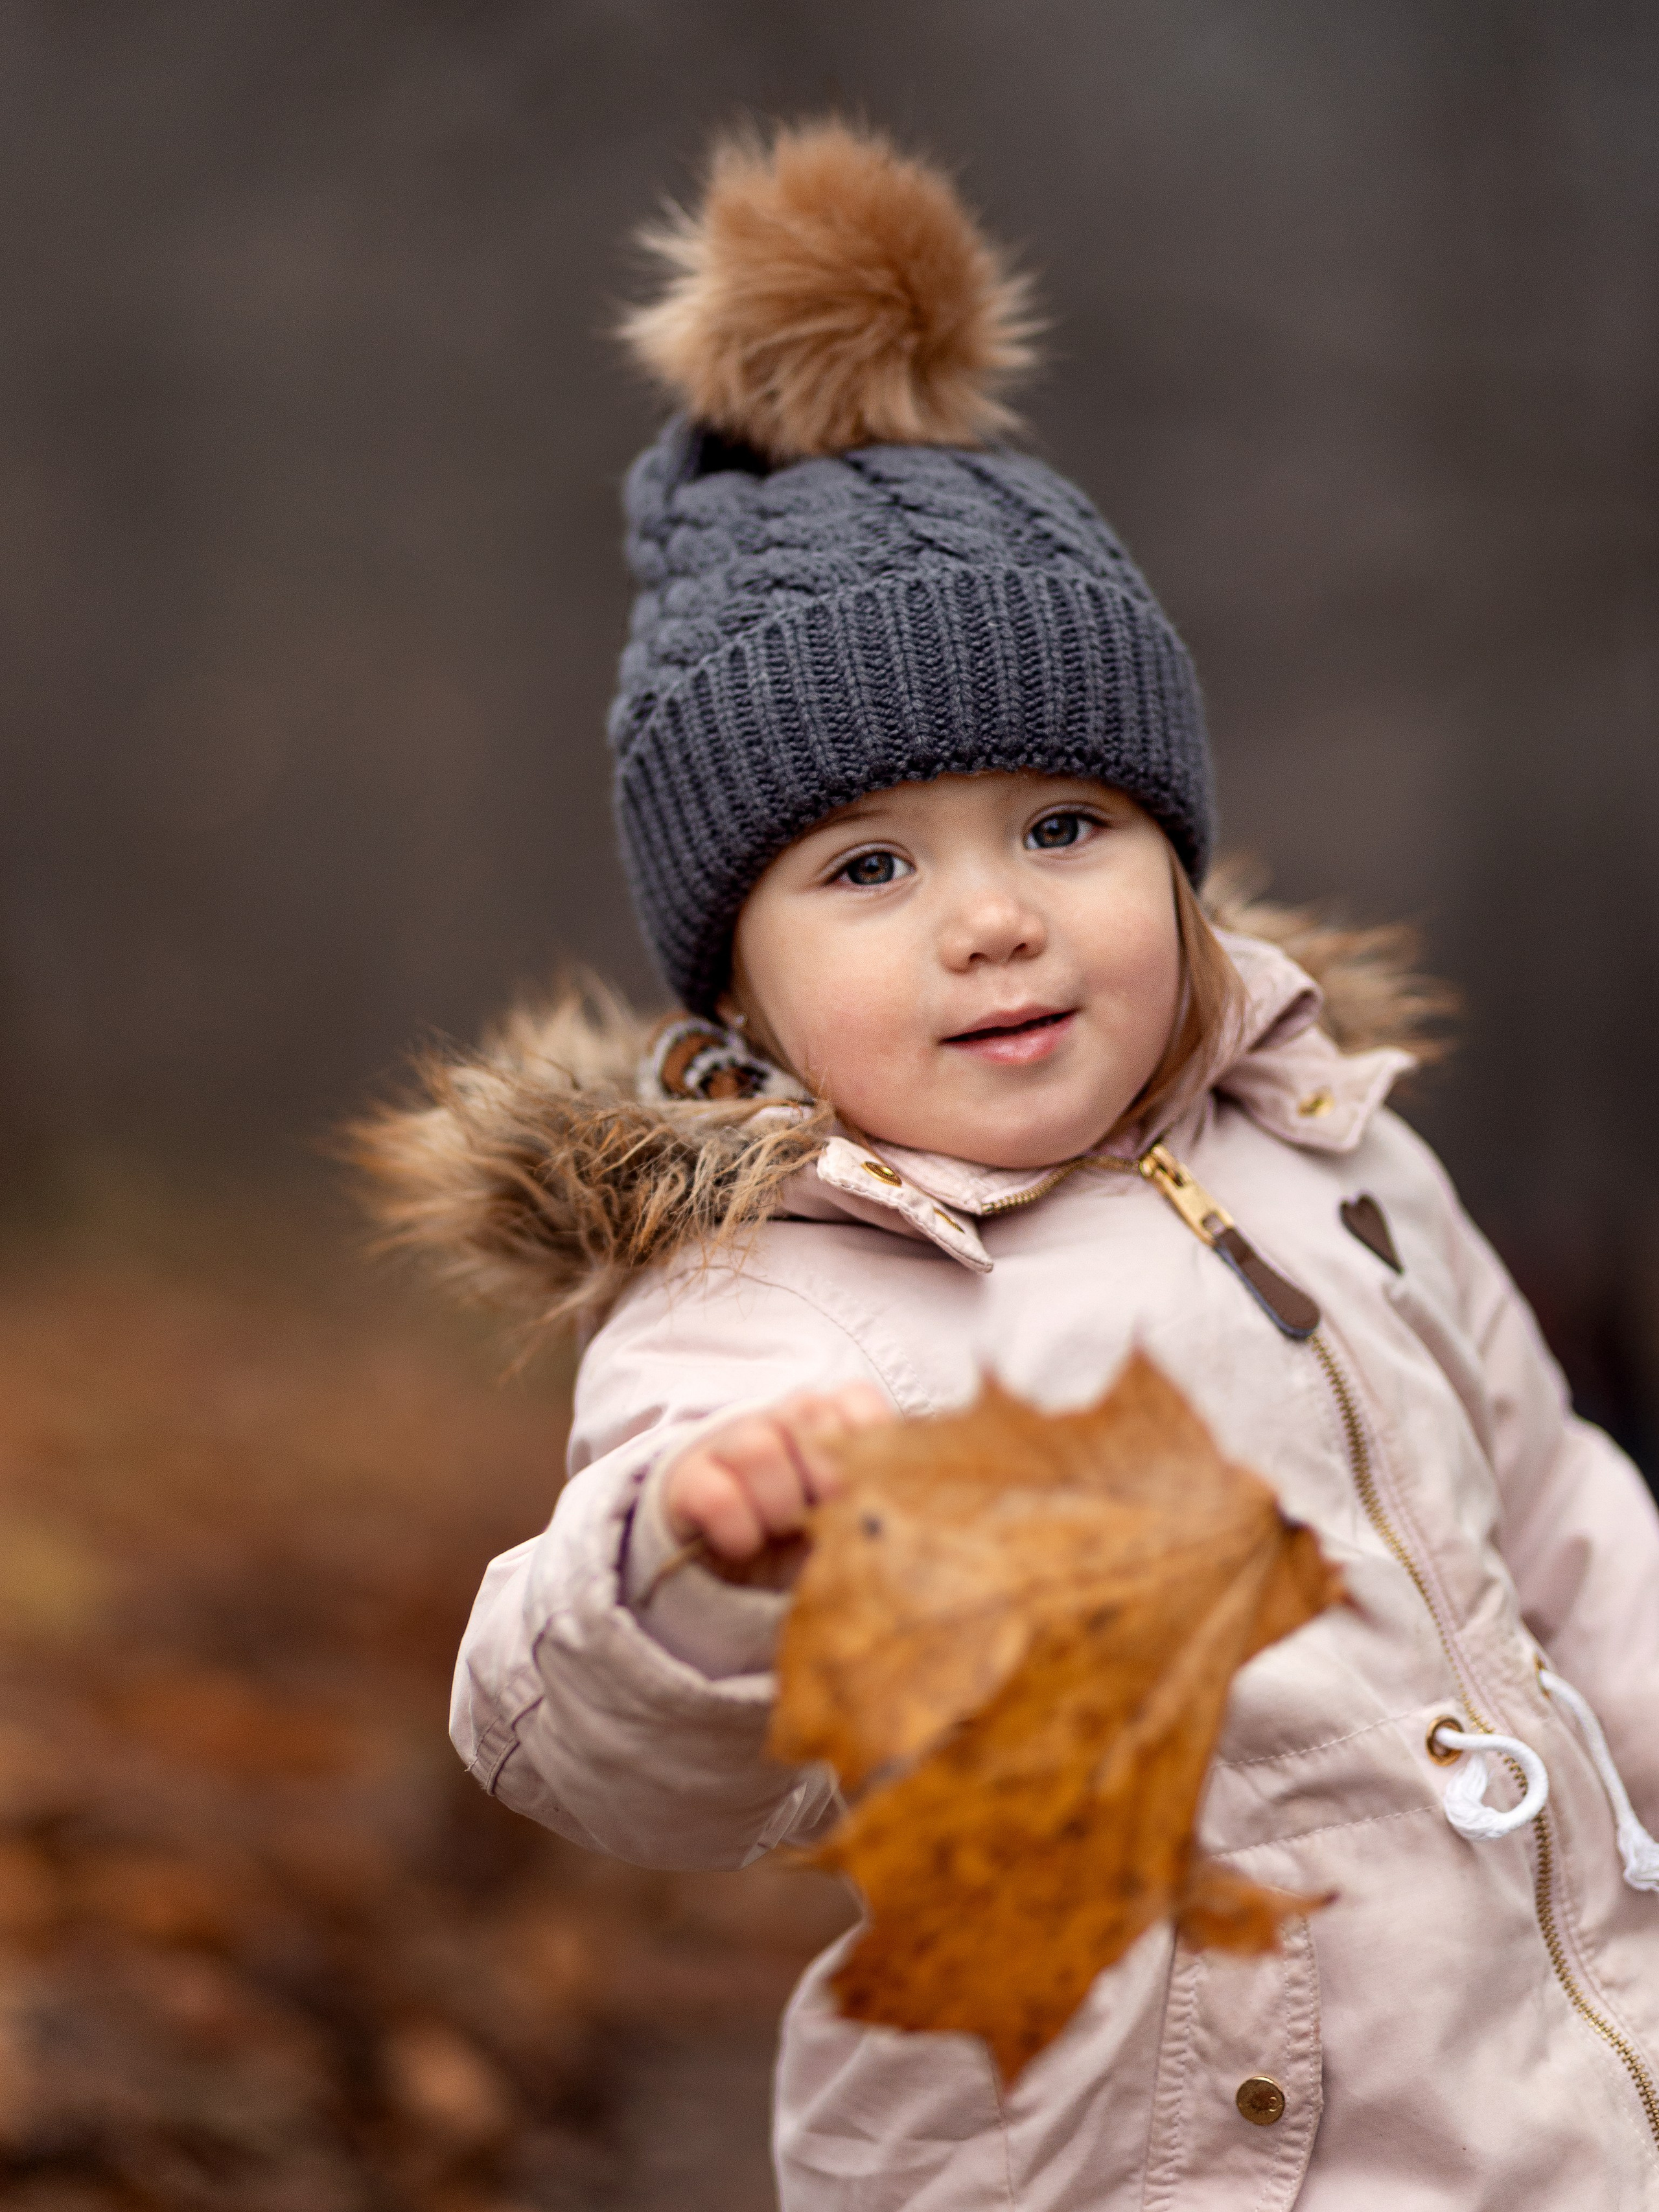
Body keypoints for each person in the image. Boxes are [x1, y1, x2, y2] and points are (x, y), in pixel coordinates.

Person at [362, 119, 1659, 2210]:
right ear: (745, 992)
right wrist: (690, 1570)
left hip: (1548, 2072)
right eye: (871, 869)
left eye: (1065, 829)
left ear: (1174, 850)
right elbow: (580, 1745)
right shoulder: (777, 1310)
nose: (994, 920)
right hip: (1157, 2150)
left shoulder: (1330, 1151)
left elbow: (1556, 1511)